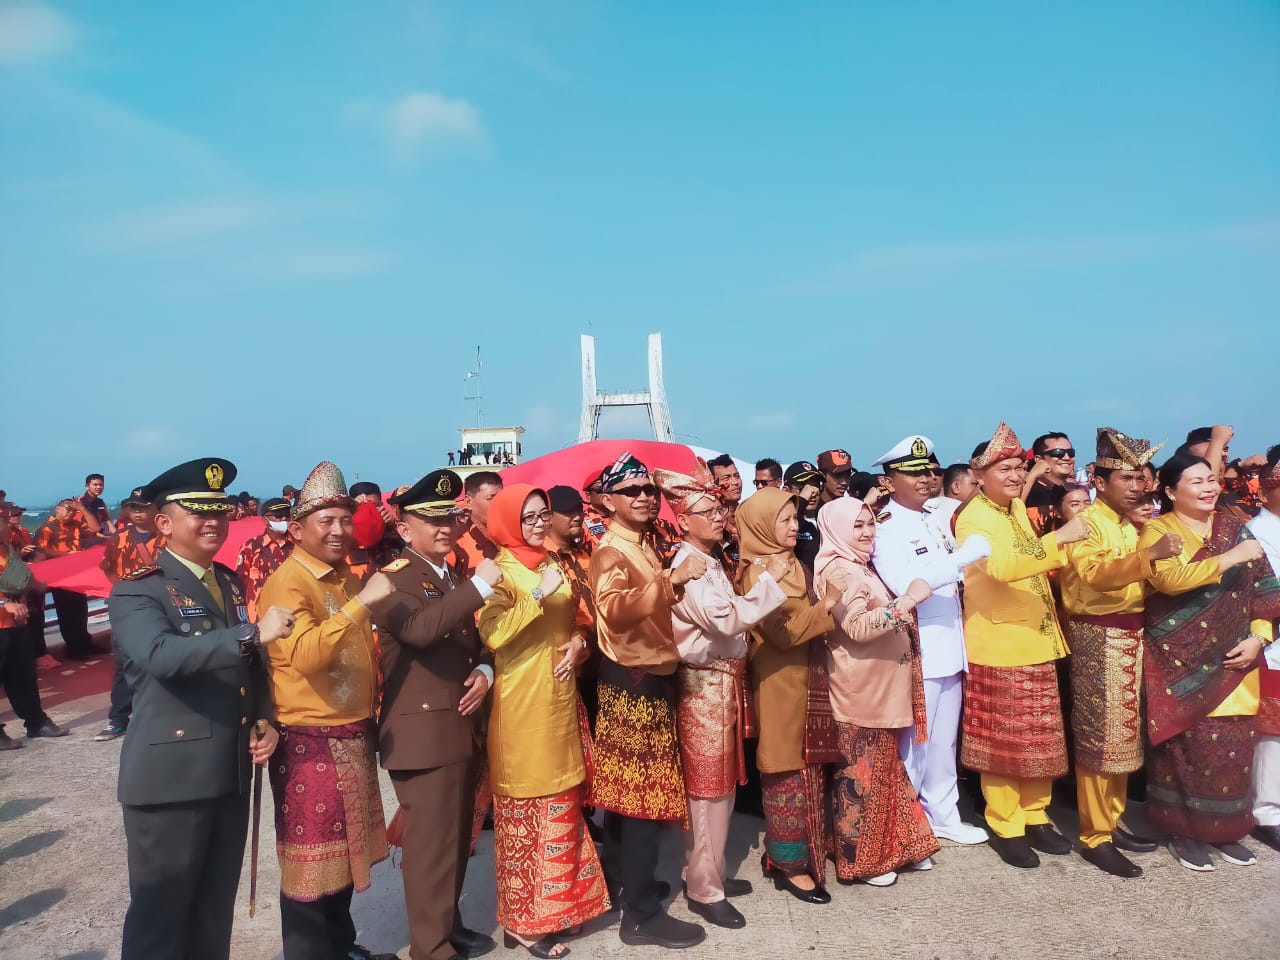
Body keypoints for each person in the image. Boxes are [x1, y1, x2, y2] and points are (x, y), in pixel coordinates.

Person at [107, 457, 292, 960]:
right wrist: (249, 632)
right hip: (172, 779)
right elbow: (160, 656)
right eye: (197, 510)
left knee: (213, 911)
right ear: (164, 523)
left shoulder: (228, 583)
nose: (213, 520)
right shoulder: (137, 589)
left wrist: (264, 717)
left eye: (219, 509)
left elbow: (249, 665)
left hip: (228, 772)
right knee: (161, 917)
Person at [256, 462, 394, 960]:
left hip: (351, 731)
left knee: (343, 855)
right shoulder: (289, 581)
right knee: (310, 864)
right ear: (296, 530)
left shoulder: (342, 577)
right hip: (309, 737)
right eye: (326, 522)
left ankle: (342, 945)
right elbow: (308, 655)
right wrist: (363, 606)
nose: (339, 531)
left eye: (344, 520)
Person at [370, 470, 501, 960]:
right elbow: (421, 631)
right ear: (405, 530)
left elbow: (473, 642)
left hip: (458, 724)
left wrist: (487, 667)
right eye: (430, 519)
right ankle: (429, 946)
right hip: (421, 731)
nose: (443, 526)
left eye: (448, 516)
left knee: (455, 838)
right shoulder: (393, 580)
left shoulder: (447, 575)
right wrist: (479, 589)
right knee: (430, 847)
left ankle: (448, 924)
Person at [655, 462, 786, 930]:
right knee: (708, 790)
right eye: (707, 510)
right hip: (704, 684)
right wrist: (772, 582)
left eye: (718, 508)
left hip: (722, 682)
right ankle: (705, 888)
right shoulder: (687, 566)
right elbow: (725, 621)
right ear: (684, 519)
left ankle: (705, 872)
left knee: (722, 786)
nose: (717, 516)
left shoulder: (708, 561)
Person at [478, 484, 607, 957]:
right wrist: (534, 596)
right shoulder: (498, 571)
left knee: (561, 813)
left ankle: (558, 910)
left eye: (542, 515)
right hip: (521, 709)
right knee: (524, 819)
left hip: (559, 702)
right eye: (528, 517)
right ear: (508, 521)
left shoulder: (553, 563)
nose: (537, 524)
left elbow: (574, 622)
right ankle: (521, 923)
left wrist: (579, 645)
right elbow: (492, 635)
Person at [587, 451, 708, 949]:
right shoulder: (610, 551)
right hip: (632, 684)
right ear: (609, 500)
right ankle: (640, 914)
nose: (643, 497)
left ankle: (632, 888)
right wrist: (671, 581)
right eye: (630, 491)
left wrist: (668, 585)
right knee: (640, 804)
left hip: (647, 679)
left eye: (647, 491)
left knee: (633, 801)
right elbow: (615, 613)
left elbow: (648, 612)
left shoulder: (639, 544)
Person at [955, 423, 1089, 869]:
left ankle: (1035, 815)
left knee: (1040, 740)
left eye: (1018, 467)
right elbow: (1000, 568)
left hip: (1034, 638)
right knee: (1003, 744)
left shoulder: (1012, 508)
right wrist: (1059, 540)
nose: (1014, 476)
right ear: (981, 476)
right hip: (999, 642)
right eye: (1004, 469)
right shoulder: (975, 516)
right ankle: (1005, 823)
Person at [1139, 451, 1279, 871]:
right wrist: (1231, 559)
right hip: (1176, 660)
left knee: (1234, 747)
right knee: (1186, 748)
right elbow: (1165, 578)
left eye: (1211, 480)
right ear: (1169, 491)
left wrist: (1258, 639)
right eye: (1196, 482)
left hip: (1236, 659)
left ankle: (1226, 831)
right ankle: (1184, 833)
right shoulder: (1157, 530)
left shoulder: (1233, 526)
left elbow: (1266, 594)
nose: (1209, 488)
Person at [1060, 428, 1175, 877]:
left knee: (1125, 736)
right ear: (1101, 481)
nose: (1138, 487)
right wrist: (1151, 556)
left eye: (1141, 479)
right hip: (1097, 635)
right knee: (1099, 737)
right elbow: (1093, 575)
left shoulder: (1135, 523)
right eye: (1127, 479)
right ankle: (1094, 836)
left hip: (1132, 634)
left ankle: (1113, 818)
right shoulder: (1086, 523)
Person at [814, 497, 941, 885]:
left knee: (883, 771)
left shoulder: (856, 563)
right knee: (860, 779)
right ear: (836, 528)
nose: (868, 531)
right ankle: (862, 861)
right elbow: (856, 627)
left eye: (870, 523)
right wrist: (908, 600)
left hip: (878, 685)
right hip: (859, 688)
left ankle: (897, 845)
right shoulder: (838, 569)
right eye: (857, 525)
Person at [870, 436, 990, 845]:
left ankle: (943, 814)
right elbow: (907, 585)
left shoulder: (929, 518)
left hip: (949, 645)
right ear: (889, 480)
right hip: (919, 646)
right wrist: (959, 560)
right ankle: (905, 824)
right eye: (914, 473)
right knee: (915, 744)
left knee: (944, 741)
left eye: (929, 471)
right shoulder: (885, 528)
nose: (925, 479)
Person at [739, 487, 841, 904]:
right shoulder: (756, 572)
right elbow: (782, 634)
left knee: (808, 766)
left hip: (808, 675)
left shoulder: (791, 562)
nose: (794, 526)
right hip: (780, 677)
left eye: (794, 518)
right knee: (785, 768)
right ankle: (789, 865)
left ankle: (800, 853)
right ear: (762, 525)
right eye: (783, 520)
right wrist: (828, 607)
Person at [96, 485, 167, 742]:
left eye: (143, 507)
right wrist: (125, 592)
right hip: (128, 610)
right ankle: (118, 719)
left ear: (156, 509)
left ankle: (159, 716)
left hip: (163, 608)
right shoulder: (120, 538)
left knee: (163, 660)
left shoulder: (169, 536)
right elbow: (108, 568)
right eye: (133, 508)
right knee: (123, 664)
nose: (137, 513)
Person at [0, 536, 68, 748]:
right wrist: (3, 604)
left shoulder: (7, 549)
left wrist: (37, 585)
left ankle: (36, 722)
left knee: (23, 676)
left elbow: (20, 576)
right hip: (6, 616)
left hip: (15, 623)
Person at [1246, 445, 1280, 853]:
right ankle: (1268, 811)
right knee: (1272, 734)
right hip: (1271, 640)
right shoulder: (1257, 533)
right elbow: (1262, 594)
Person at [36, 498, 101, 659]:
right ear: (57, 509)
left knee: (80, 609)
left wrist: (83, 510)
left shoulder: (76, 525)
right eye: (67, 509)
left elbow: (95, 528)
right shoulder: (46, 528)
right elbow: (41, 551)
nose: (70, 512)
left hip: (77, 575)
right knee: (66, 612)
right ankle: (73, 647)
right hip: (60, 576)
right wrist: (67, 556)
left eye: (73, 510)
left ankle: (84, 643)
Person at [235, 497, 294, 621]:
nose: (284, 519)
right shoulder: (251, 546)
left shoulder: (300, 545)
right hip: (260, 617)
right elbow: (239, 580)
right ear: (265, 520)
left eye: (287, 515)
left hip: (294, 614)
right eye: (278, 515)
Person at [1023, 432, 1077, 534]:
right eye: (1058, 453)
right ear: (1039, 459)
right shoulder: (1029, 491)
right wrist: (1031, 476)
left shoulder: (1070, 492)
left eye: (1070, 453)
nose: (1067, 458)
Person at [457, 471, 503, 571]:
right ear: (469, 502)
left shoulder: (518, 532)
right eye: (491, 498)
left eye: (502, 498)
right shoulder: (458, 545)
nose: (499, 504)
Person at [782, 461, 823, 571]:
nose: (812, 493)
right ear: (786, 490)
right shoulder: (778, 521)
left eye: (816, 487)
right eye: (803, 487)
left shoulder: (823, 521)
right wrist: (802, 501)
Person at [924, 462, 979, 536]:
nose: (979, 489)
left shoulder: (927, 510)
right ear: (956, 487)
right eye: (975, 484)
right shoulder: (968, 513)